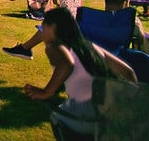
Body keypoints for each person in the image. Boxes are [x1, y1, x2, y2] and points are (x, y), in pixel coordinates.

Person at [23, 7, 137, 135]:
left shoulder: (54, 47)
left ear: (52, 27)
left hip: (86, 117)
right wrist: (133, 100)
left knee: (58, 118)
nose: (41, 31)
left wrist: (46, 92)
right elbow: (128, 72)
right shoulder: (90, 47)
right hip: (113, 117)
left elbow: (67, 64)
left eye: (44, 26)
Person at [3, 0, 85, 60]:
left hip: (65, 21)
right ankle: (25, 48)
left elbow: (52, 4)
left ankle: (25, 48)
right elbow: (80, 6)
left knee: (46, 27)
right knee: (47, 27)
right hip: (77, 20)